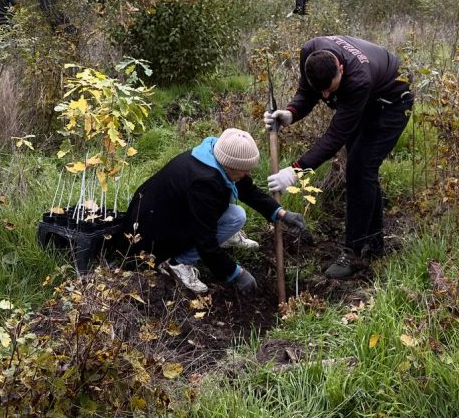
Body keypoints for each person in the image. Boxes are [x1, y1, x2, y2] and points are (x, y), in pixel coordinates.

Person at [264, 36, 412, 279]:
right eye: (319, 90)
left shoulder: (358, 79)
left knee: (360, 168)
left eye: (330, 90)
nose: (324, 96)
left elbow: (335, 137)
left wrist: (295, 172)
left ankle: (352, 253)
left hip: (391, 103)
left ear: (340, 68)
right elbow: (306, 92)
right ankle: (373, 245)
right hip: (365, 100)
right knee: (362, 171)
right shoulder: (311, 52)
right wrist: (290, 113)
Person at [123, 128, 306, 295]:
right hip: (154, 235)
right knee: (229, 220)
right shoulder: (203, 183)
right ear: (230, 165)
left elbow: (248, 191)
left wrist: (281, 214)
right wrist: (236, 273)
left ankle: (224, 236)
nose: (248, 174)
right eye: (244, 170)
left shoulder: (217, 156)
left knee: (237, 215)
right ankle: (179, 263)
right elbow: (206, 242)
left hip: (170, 213)